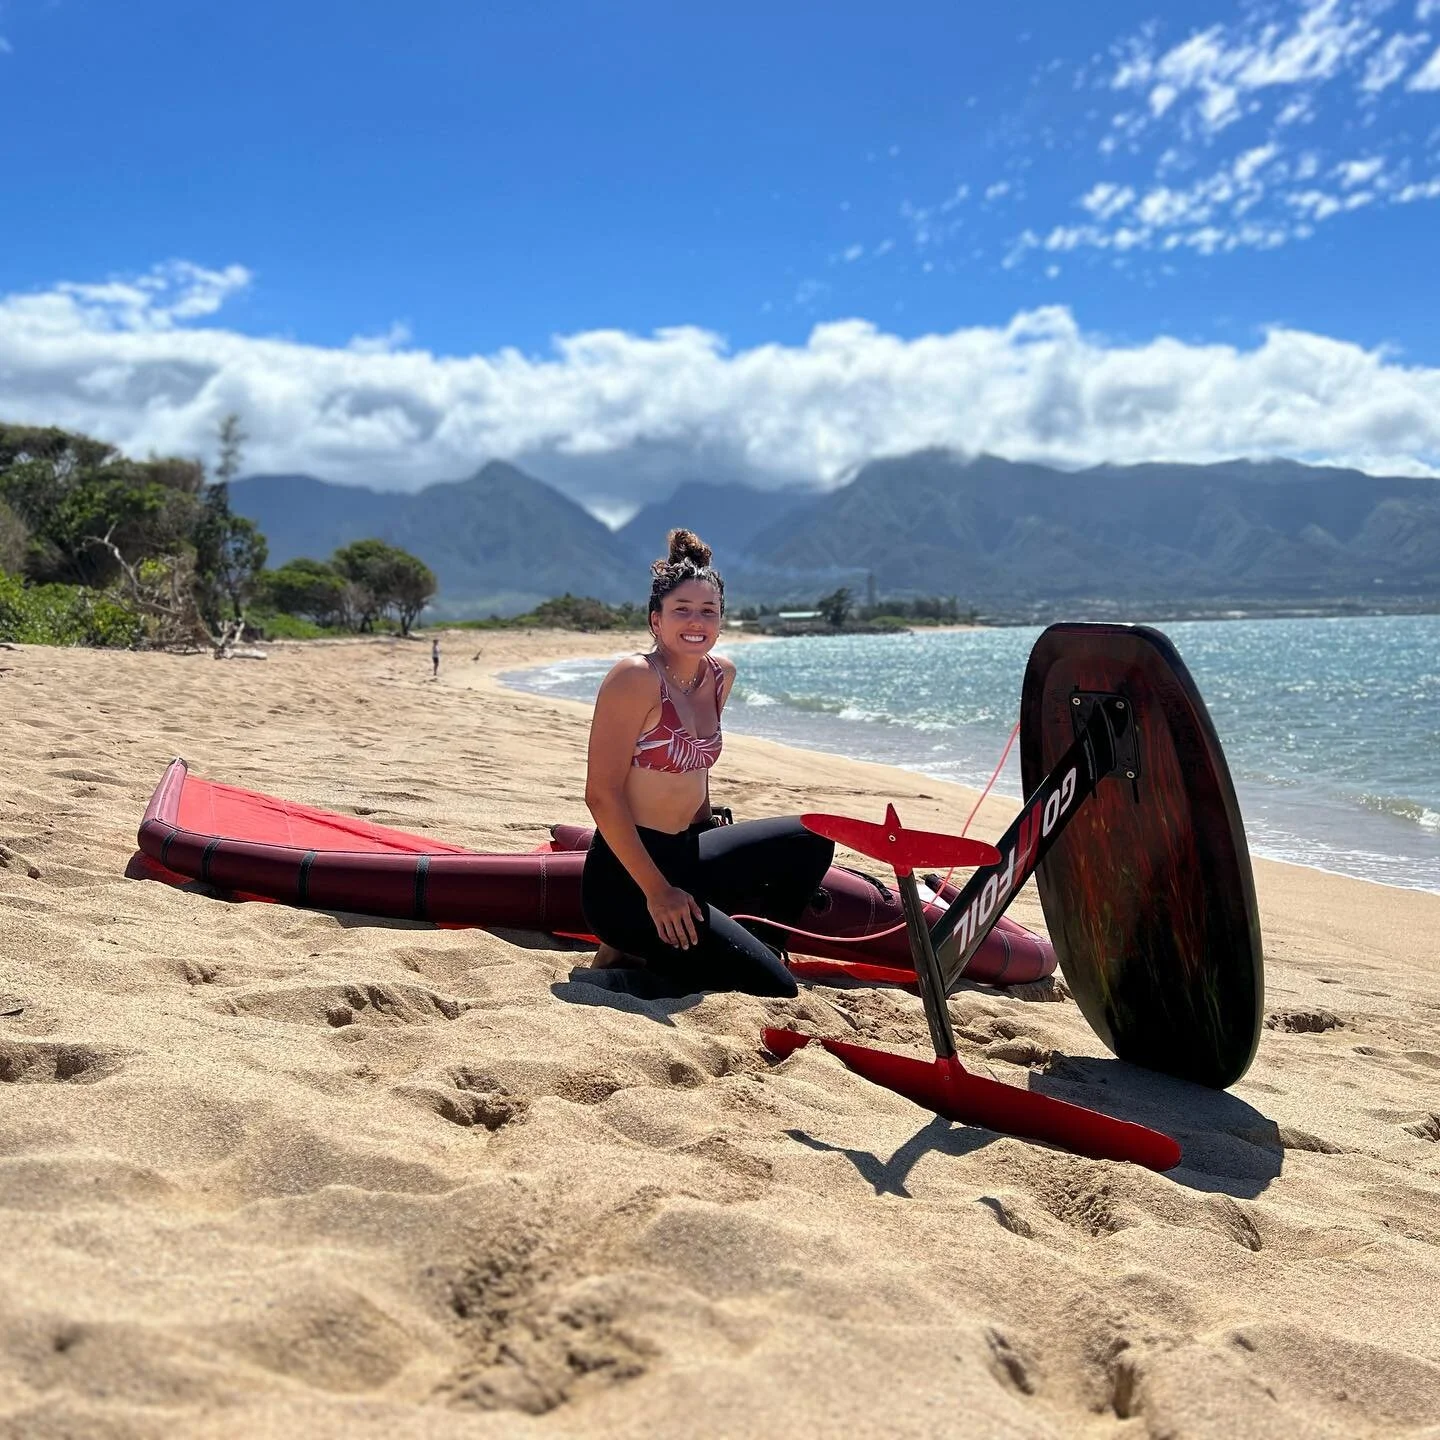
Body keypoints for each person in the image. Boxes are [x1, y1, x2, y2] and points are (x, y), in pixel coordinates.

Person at [580, 528, 834, 998]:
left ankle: (760, 944)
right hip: (626, 875)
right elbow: (601, 795)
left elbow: (698, 769)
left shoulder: (719, 675)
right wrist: (658, 892)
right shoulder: (634, 678)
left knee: (813, 837)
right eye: (682, 610)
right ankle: (629, 953)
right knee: (775, 989)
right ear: (656, 620)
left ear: (720, 619)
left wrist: (705, 829)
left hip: (688, 853)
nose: (696, 621)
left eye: (708, 611)